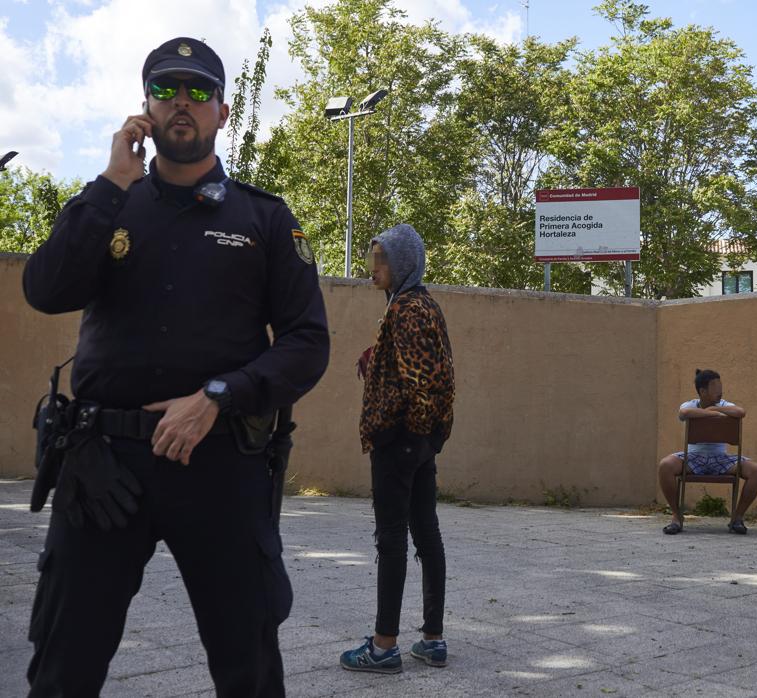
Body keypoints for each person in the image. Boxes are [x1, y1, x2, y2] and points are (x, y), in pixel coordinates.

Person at [21, 37, 330, 695]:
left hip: (218, 466)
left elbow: (307, 341)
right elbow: (46, 290)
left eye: (197, 90)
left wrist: (220, 395)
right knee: (61, 669)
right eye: (165, 89)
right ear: (145, 111)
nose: (181, 102)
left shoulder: (264, 219)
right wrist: (110, 183)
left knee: (248, 669)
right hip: (103, 471)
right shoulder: (110, 204)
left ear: (222, 112)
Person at [341, 225, 455, 673]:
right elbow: (424, 371)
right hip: (421, 442)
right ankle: (432, 639)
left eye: (382, 260)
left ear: (403, 263)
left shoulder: (407, 309)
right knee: (426, 534)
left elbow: (420, 382)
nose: (374, 268)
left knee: (391, 540)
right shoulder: (421, 304)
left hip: (401, 440)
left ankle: (384, 645)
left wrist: (404, 434)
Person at [657, 369, 757, 535]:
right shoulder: (689, 404)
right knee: (665, 465)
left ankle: (737, 518)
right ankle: (676, 516)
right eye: (715, 387)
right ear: (702, 391)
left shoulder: (724, 405)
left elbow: (740, 412)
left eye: (720, 386)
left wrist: (716, 410)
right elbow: (684, 413)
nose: (720, 391)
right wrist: (710, 413)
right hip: (693, 458)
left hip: (720, 459)